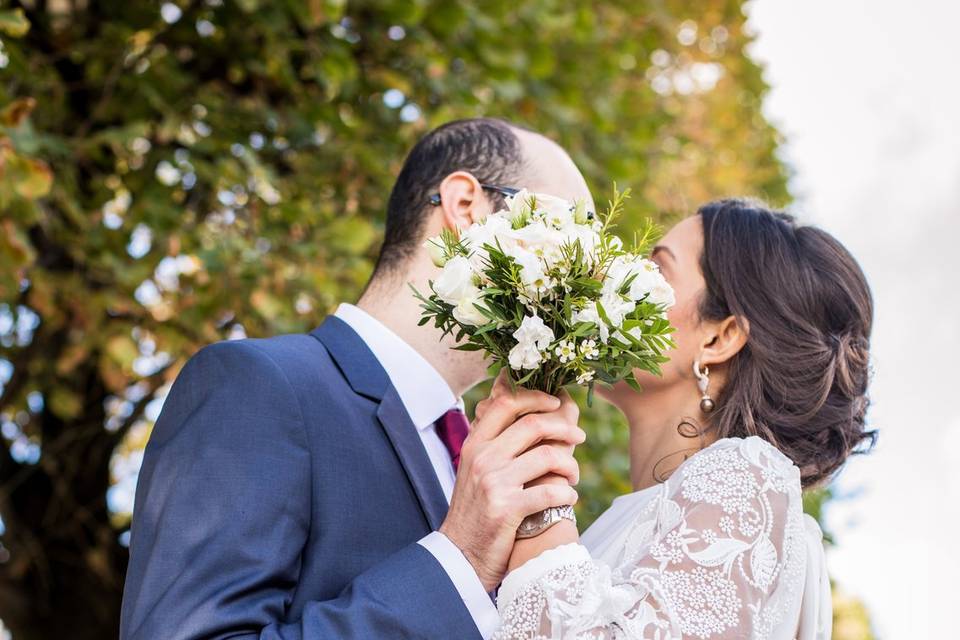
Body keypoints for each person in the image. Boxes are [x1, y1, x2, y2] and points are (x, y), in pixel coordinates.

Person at [119, 118, 591, 639]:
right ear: (465, 207)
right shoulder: (259, 385)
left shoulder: (479, 451)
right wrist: (461, 558)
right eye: (570, 229)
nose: (588, 275)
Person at [493, 199, 875, 639]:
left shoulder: (748, 477)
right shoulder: (630, 520)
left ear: (720, 337)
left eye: (657, 269)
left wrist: (538, 486)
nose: (610, 278)